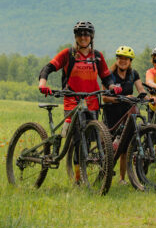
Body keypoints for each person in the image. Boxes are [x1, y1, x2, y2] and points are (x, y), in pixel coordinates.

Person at [37, 21, 117, 183]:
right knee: (78, 138)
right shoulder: (68, 54)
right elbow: (48, 68)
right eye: (80, 34)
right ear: (76, 37)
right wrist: (43, 83)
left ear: (91, 37)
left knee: (91, 138)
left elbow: (107, 77)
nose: (83, 37)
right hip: (72, 101)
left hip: (92, 101)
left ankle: (91, 172)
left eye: (86, 34)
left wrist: (112, 86)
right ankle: (78, 179)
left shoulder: (97, 56)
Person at [101, 46, 147, 185]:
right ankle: (104, 173)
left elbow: (140, 89)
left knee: (125, 147)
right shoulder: (109, 75)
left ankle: (122, 179)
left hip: (127, 112)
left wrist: (148, 98)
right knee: (109, 145)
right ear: (117, 59)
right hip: (111, 113)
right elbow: (104, 98)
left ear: (130, 61)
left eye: (126, 59)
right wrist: (121, 98)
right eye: (120, 58)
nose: (123, 61)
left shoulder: (133, 74)